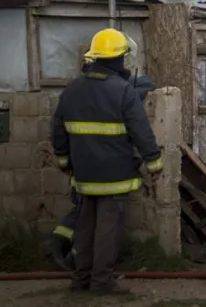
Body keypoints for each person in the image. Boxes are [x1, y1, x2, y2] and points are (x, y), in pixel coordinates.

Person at [51, 28, 163, 296]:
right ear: (119, 59)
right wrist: (154, 163)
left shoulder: (73, 88)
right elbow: (140, 130)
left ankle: (81, 279)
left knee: (85, 227)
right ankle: (101, 282)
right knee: (107, 231)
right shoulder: (123, 90)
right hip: (114, 175)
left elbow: (58, 129)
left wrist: (64, 162)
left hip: (84, 175)